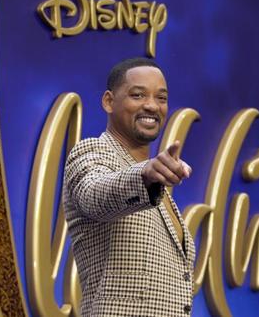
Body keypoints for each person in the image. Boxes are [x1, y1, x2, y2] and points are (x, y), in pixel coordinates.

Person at [64, 57, 196, 316]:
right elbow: (94, 194)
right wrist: (143, 175)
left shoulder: (158, 184)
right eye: (138, 95)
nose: (151, 106)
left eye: (161, 98)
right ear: (109, 101)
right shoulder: (91, 152)